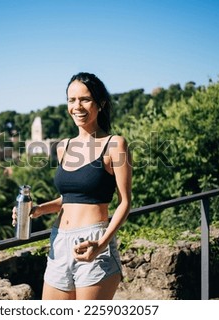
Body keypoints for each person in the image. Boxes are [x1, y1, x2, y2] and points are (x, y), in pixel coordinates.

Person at [12, 72, 132, 300]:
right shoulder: (63, 147)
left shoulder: (115, 144)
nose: (77, 106)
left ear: (101, 103)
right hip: (59, 243)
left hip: (94, 241)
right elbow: (69, 198)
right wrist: (37, 210)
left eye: (85, 99)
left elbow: (125, 202)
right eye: (71, 100)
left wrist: (101, 243)